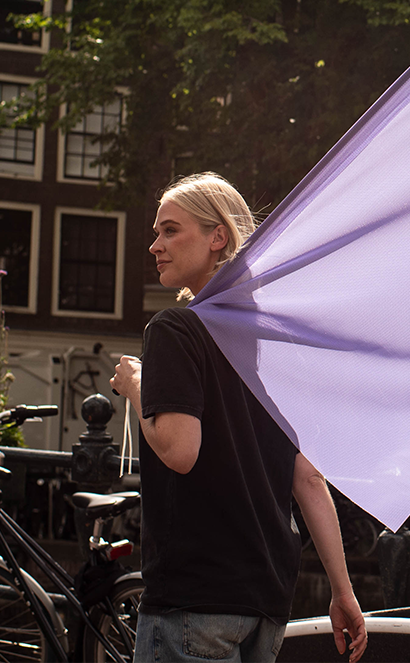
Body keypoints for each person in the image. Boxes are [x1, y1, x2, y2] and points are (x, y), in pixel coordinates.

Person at [111, 172, 367, 663]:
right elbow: (309, 478)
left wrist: (136, 386)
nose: (154, 245)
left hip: (193, 597)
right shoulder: (268, 343)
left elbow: (180, 451)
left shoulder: (174, 330)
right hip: (266, 604)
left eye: (169, 230)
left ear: (217, 238)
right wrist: (343, 592)